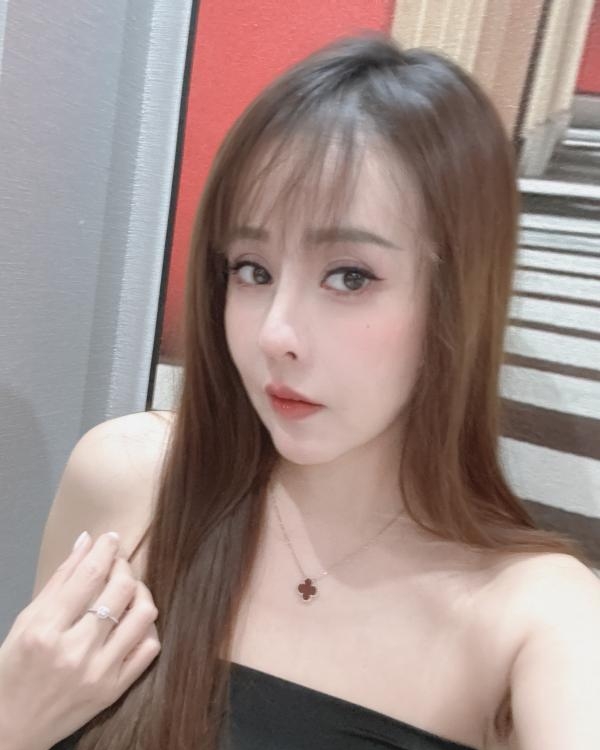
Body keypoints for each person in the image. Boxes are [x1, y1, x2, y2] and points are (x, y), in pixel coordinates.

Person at [2, 31, 599, 750]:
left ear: (458, 297)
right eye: (252, 269)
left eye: (350, 276)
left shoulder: (536, 619)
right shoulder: (129, 480)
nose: (274, 333)